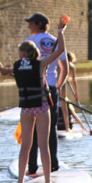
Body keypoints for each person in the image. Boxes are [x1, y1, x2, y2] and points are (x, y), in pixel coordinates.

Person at [0, 16, 68, 183]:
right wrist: (60, 32)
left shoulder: (16, 66)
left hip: (26, 110)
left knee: (26, 146)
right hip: (41, 107)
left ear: (22, 53)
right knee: (43, 145)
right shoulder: (40, 65)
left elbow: (3, 71)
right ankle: (47, 181)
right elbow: (60, 51)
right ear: (33, 53)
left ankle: (20, 182)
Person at [24, 12, 68, 174]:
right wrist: (56, 87)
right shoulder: (56, 41)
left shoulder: (29, 42)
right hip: (51, 89)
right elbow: (65, 69)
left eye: (30, 23)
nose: (28, 26)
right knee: (51, 128)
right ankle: (54, 165)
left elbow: (24, 68)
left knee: (32, 128)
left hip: (33, 89)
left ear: (37, 24)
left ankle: (32, 166)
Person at [58, 51, 86, 133]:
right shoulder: (71, 66)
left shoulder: (57, 63)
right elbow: (74, 81)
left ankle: (81, 126)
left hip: (54, 85)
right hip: (62, 86)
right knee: (65, 107)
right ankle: (68, 128)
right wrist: (76, 94)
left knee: (66, 106)